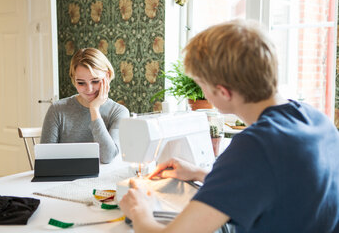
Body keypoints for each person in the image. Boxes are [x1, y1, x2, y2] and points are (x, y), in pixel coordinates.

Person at [119, 20, 339, 232]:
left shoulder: (254, 146)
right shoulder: (316, 119)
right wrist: (202, 174)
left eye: (201, 85)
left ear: (223, 92)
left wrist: (140, 211)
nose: (202, 93)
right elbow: (278, 184)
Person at [40, 48, 129, 164]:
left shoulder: (119, 112)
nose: (89, 89)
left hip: (103, 180)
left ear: (107, 76)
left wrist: (94, 109)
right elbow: (44, 160)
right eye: (81, 83)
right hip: (65, 178)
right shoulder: (57, 109)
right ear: (74, 80)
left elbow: (107, 157)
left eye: (95, 81)